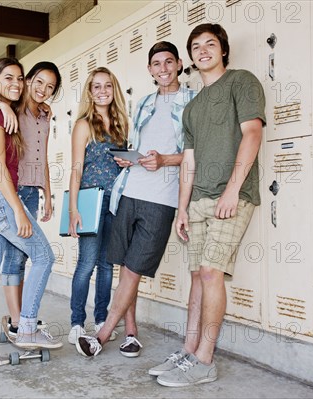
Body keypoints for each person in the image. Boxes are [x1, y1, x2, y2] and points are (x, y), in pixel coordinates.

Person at [155, 23, 265, 387]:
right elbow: (189, 160)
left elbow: (252, 132)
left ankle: (205, 359)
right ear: (191, 56)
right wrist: (182, 208)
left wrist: (233, 189)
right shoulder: (193, 107)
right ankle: (189, 349)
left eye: (210, 44)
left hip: (231, 195)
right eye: (196, 46)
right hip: (198, 201)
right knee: (197, 277)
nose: (203, 50)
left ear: (223, 50)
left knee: (211, 272)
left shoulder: (242, 81)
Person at [75, 42, 196, 358]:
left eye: (169, 62)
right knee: (125, 266)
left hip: (162, 199)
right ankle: (130, 333)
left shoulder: (193, 102)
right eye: (156, 64)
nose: (163, 69)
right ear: (150, 70)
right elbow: (138, 147)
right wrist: (130, 159)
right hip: (128, 192)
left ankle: (100, 336)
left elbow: (194, 153)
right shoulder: (143, 103)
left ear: (179, 64)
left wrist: (166, 159)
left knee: (133, 268)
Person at [0, 57, 62, 372]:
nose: (17, 84)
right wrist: (19, 211)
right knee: (44, 257)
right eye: (9, 78)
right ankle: (28, 326)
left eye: (19, 78)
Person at [67, 67, 129, 344]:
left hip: (116, 200)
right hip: (91, 199)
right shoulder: (83, 125)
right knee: (87, 263)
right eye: (96, 87)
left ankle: (101, 318)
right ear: (90, 93)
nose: (102, 91)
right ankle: (76, 322)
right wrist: (73, 208)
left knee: (107, 265)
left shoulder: (120, 124)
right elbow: (76, 169)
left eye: (107, 86)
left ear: (113, 89)